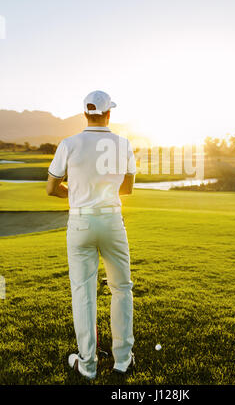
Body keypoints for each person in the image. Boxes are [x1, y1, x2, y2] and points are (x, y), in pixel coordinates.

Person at [46, 90, 136, 380]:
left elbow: (51, 188)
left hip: (80, 225)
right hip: (111, 223)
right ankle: (123, 360)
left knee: (83, 293)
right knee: (121, 289)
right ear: (109, 113)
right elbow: (127, 189)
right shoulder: (123, 145)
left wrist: (77, 194)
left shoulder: (68, 144)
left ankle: (87, 364)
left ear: (85, 113)